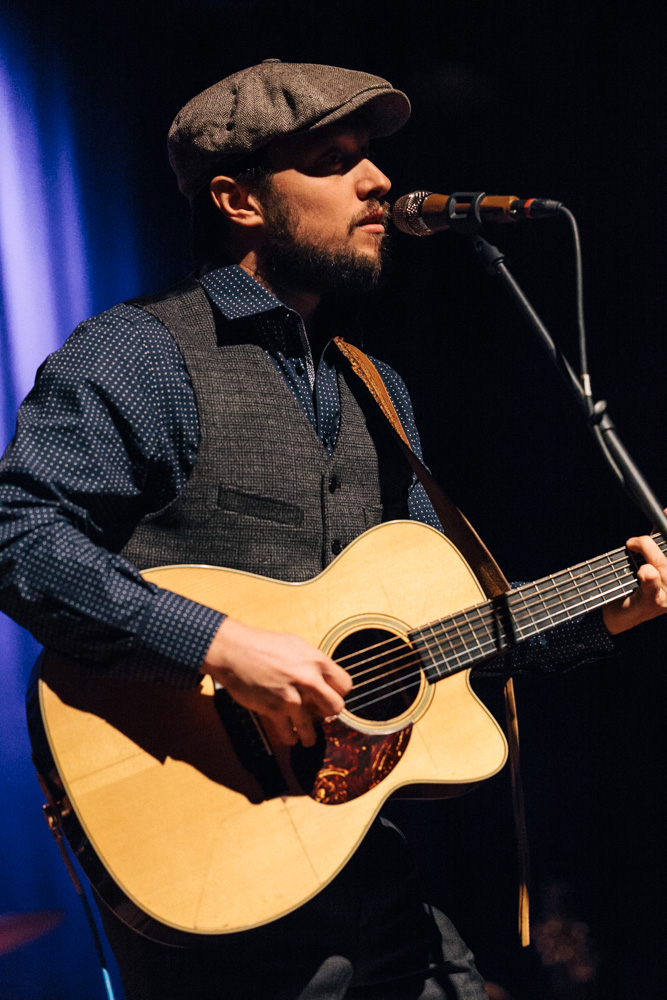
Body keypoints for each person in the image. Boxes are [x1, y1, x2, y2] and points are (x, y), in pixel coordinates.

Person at [1, 59, 667, 1000]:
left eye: (371, 158)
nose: (378, 182)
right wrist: (222, 644)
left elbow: (451, 644)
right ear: (238, 201)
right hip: (218, 873)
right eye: (333, 160)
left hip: (366, 868)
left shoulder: (376, 388)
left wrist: (612, 613)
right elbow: (18, 535)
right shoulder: (142, 352)